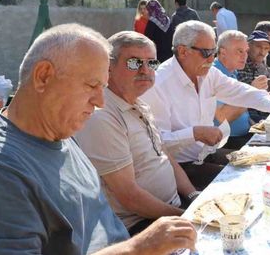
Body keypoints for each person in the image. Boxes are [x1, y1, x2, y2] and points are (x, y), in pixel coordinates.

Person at [0, 23, 196, 255]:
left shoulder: (60, 133)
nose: (100, 102)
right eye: (92, 85)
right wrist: (138, 247)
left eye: (103, 87)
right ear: (43, 77)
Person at [75, 31, 198, 235]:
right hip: (139, 225)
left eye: (151, 63)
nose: (144, 70)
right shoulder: (102, 116)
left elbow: (164, 155)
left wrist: (193, 195)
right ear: (108, 68)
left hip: (170, 208)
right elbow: (129, 197)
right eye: (134, 63)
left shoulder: (138, 104)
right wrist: (184, 216)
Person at [141, 21, 270, 190]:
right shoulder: (159, 84)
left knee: (265, 165)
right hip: (180, 169)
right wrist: (194, 134)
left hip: (207, 154)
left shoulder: (208, 72)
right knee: (246, 184)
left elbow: (239, 91)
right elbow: (157, 144)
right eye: (206, 53)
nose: (211, 59)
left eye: (213, 52)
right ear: (183, 51)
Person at [213, 30, 268, 150]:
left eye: (246, 51)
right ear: (222, 52)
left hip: (245, 132)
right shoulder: (215, 74)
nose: (244, 56)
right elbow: (223, 117)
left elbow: (239, 107)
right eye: (239, 51)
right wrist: (251, 91)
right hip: (228, 142)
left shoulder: (232, 70)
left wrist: (253, 124)